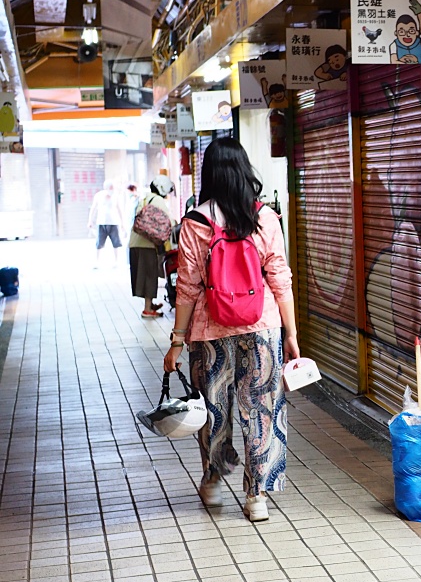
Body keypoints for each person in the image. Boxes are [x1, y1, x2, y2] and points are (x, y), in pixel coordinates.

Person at [163, 137, 300, 523]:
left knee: (213, 411)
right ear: (244, 170)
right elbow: (280, 278)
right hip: (262, 327)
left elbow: (187, 286)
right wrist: (291, 333)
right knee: (262, 409)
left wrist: (177, 339)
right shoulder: (265, 217)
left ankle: (213, 477)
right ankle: (257, 496)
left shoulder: (195, 222)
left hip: (210, 331)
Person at [130, 175, 173, 318]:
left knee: (144, 274)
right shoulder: (158, 200)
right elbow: (168, 220)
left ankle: (149, 304)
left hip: (136, 243)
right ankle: (148, 309)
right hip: (147, 245)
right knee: (149, 275)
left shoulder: (146, 198)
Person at [88, 180, 124, 268]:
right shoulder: (99, 196)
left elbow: (119, 209)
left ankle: (116, 261)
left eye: (113, 187)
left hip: (113, 222)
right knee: (99, 243)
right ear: (106, 188)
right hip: (101, 222)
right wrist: (90, 221)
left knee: (116, 242)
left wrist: (122, 223)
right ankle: (97, 261)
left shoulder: (115, 196)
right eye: (111, 188)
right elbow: (93, 208)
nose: (112, 189)